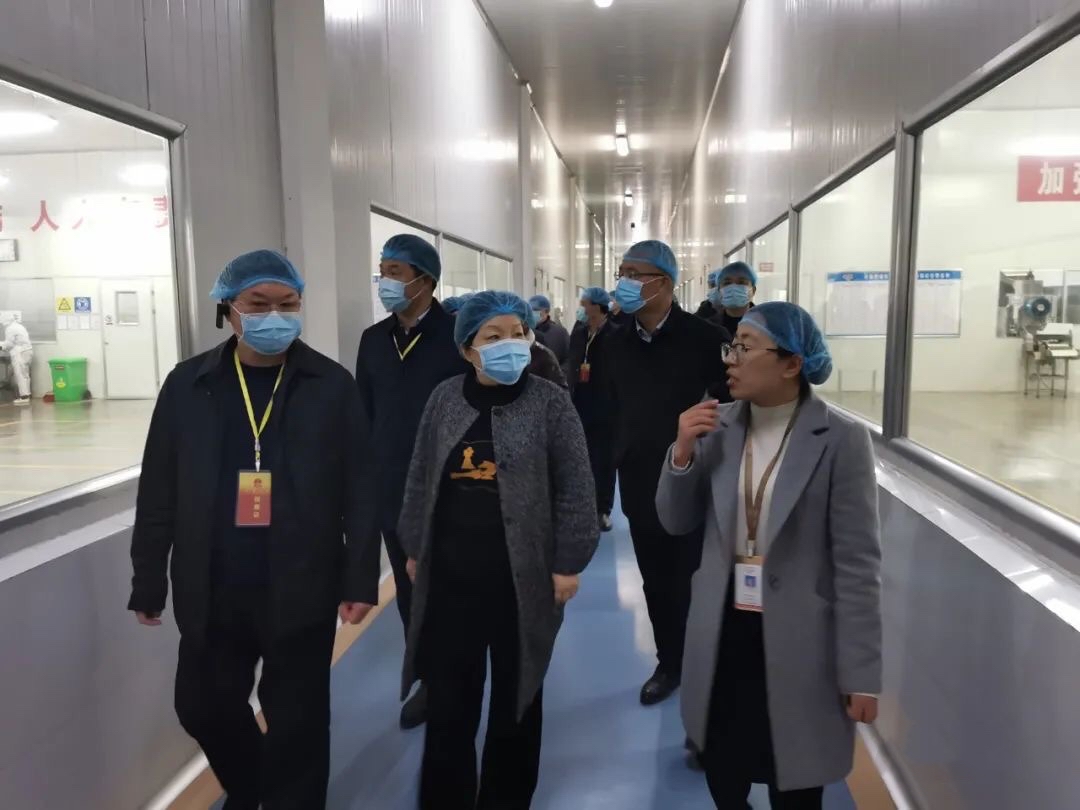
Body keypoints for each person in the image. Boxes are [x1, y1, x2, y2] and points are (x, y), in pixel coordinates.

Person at [128, 249, 381, 809]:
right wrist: (147, 578)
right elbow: (159, 488)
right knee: (202, 706)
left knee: (298, 721)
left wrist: (361, 578)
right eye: (259, 304)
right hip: (213, 582)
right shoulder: (189, 385)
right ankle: (253, 787)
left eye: (287, 304)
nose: (274, 316)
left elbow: (362, 491)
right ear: (229, 308)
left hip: (302, 581)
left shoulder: (330, 385)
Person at [657, 301, 882, 809]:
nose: (730, 360)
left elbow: (858, 564)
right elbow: (675, 520)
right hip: (723, 627)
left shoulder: (841, 440)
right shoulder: (716, 425)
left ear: (791, 364)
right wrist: (682, 452)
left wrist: (862, 675)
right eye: (731, 347)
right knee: (724, 770)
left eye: (745, 348)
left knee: (794, 780)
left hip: (800, 637)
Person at [398, 291, 600, 809]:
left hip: (522, 580)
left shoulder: (550, 401)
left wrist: (568, 562)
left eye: (518, 333)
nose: (510, 344)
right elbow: (421, 474)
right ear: (468, 348)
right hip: (453, 579)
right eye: (493, 337)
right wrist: (415, 545)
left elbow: (577, 484)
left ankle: (505, 798)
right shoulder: (444, 399)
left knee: (517, 698)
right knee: (450, 701)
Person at [606, 239, 732, 707]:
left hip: (696, 480)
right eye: (621, 272)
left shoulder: (705, 339)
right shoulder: (614, 342)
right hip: (639, 480)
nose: (624, 282)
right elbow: (605, 411)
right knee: (656, 579)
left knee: (696, 578)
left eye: (634, 274)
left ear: (664, 282)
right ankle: (670, 663)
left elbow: (732, 406)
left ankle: (707, 667)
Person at [356, 233, 470, 729]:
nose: (384, 281)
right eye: (382, 270)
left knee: (450, 588)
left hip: (452, 488)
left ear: (424, 280)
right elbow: (364, 413)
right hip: (392, 490)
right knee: (409, 590)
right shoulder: (373, 341)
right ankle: (428, 676)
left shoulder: (458, 337)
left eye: (395, 272)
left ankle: (457, 674)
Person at [567, 287, 618, 531]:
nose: (581, 308)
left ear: (597, 306)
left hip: (606, 406)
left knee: (604, 460)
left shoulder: (615, 334)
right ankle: (582, 506)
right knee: (580, 457)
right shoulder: (578, 332)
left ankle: (602, 509)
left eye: (584, 303)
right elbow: (572, 363)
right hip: (580, 402)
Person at [695, 261, 757, 335]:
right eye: (727, 283)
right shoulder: (707, 327)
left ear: (753, 290)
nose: (733, 288)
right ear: (719, 291)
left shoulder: (765, 324)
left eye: (741, 282)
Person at [0, 313, 33, 405]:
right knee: (25, 374)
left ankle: (24, 397)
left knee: (20, 374)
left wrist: (1, 346)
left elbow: (9, 344)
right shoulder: (19, 326)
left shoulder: (10, 328)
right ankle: (27, 394)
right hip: (27, 351)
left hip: (19, 353)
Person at [528, 294, 570, 364]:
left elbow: (568, 359)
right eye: (530, 310)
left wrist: (559, 370)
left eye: (535, 310)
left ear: (547, 311)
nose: (532, 313)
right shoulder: (525, 331)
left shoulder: (560, 333)